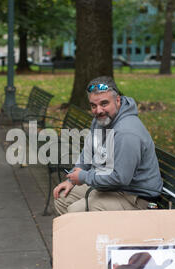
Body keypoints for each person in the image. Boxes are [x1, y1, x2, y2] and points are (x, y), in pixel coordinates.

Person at [53, 76, 163, 214]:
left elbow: (120, 178)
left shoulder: (127, 133)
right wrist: (72, 180)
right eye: (93, 105)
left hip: (136, 197)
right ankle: (83, 234)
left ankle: (92, 235)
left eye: (104, 104)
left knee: (76, 210)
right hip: (111, 187)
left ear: (117, 100)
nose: (98, 110)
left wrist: (83, 177)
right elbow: (88, 153)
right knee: (62, 197)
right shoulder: (101, 120)